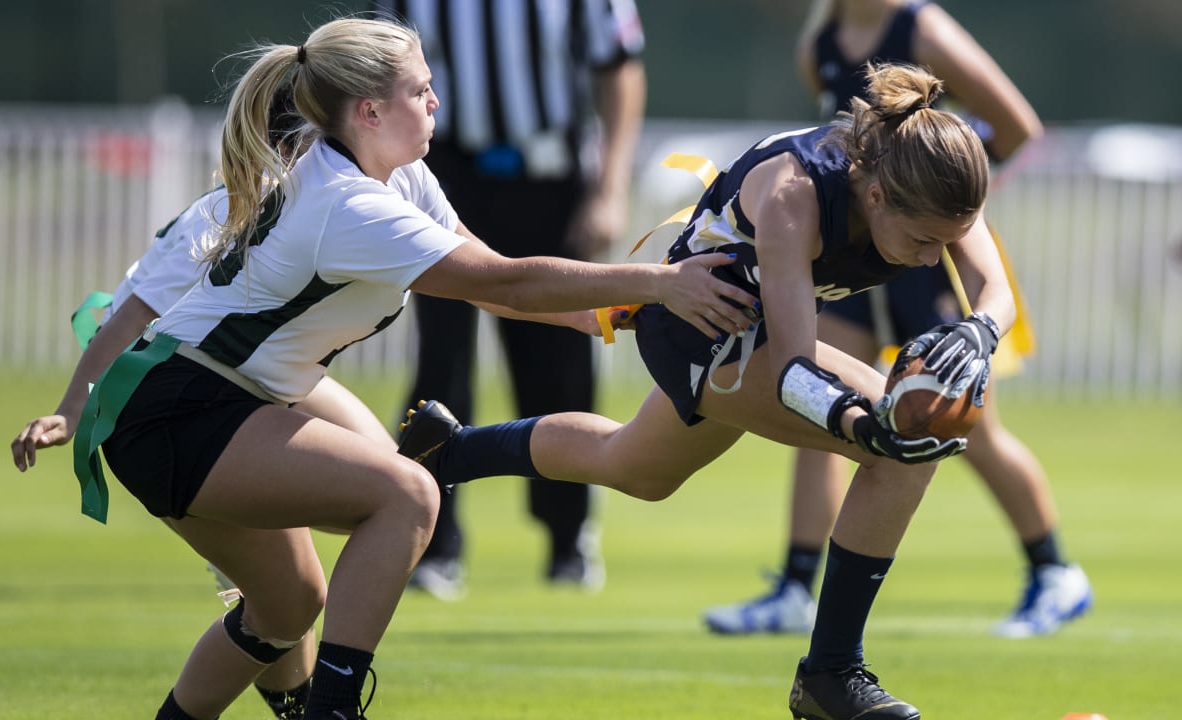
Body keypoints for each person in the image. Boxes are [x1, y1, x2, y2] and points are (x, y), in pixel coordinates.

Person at [65, 17, 756, 720]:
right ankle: (334, 710)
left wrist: (619, 308)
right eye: (421, 90)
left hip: (205, 404)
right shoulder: (349, 204)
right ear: (369, 111)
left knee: (288, 606)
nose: (435, 103)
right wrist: (660, 283)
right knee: (406, 496)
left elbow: (504, 284)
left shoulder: (396, 176)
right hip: (180, 410)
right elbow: (507, 281)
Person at [399, 61, 1014, 720]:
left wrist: (979, 331)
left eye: (942, 242)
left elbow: (996, 292)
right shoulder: (794, 197)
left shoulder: (933, 169)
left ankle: (450, 451)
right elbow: (795, 371)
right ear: (874, 198)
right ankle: (831, 673)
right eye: (923, 242)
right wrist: (859, 425)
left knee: (634, 467)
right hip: (698, 325)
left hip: (755, 337)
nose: (931, 259)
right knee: (898, 448)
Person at [702, 0, 1092, 641]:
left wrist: (935, 193)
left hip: (921, 243)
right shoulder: (820, 41)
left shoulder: (921, 27)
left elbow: (1017, 126)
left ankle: (1054, 571)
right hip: (859, 246)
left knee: (959, 421)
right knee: (821, 399)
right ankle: (798, 585)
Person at [10, 87, 386, 720]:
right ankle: (298, 702)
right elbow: (128, 317)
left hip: (246, 383)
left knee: (373, 490)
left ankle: (295, 692)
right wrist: (73, 410)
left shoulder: (319, 196)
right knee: (293, 592)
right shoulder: (236, 208)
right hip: (173, 394)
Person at [372, 0, 647, 597]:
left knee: (559, 359)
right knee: (440, 364)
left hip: (549, 176)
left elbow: (620, 67)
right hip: (443, 172)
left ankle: (568, 536)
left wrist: (611, 188)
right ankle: (432, 540)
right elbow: (376, 67)